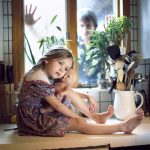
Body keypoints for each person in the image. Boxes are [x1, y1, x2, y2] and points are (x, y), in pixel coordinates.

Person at [16, 46, 144, 137]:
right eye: (60, 63)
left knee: (63, 88)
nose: (62, 70)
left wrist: (87, 96)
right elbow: (57, 105)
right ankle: (122, 127)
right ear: (47, 59)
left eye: (65, 68)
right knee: (78, 122)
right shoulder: (39, 77)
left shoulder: (44, 74)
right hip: (32, 121)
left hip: (39, 112)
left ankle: (96, 117)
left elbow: (67, 93)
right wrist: (77, 118)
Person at [43, 69, 114, 124]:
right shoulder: (55, 81)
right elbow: (68, 93)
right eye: (65, 74)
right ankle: (96, 117)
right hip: (51, 109)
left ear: (71, 83)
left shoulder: (65, 86)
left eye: (68, 76)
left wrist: (88, 96)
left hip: (57, 109)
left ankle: (96, 117)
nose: (64, 76)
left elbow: (70, 92)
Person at [77, 9, 99, 86]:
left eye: (88, 25)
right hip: (78, 85)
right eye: (82, 26)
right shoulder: (74, 44)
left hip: (97, 85)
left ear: (95, 27)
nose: (85, 29)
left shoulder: (100, 45)